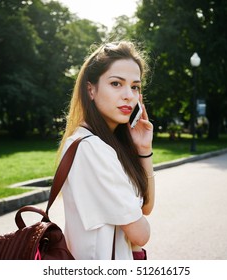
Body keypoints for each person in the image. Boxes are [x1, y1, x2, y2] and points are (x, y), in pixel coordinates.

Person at [58, 41, 155, 260]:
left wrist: (144, 149)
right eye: (116, 84)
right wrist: (137, 221)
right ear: (91, 89)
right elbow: (141, 234)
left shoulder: (101, 144)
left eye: (135, 87)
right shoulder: (92, 148)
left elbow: (146, 206)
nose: (129, 95)